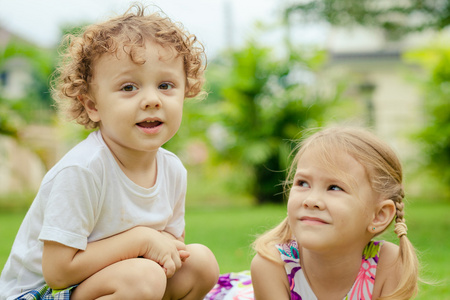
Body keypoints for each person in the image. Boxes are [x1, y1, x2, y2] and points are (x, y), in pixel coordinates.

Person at [0, 4, 219, 300]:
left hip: (113, 281)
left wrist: (156, 247)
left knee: (200, 263)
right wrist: (141, 240)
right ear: (92, 105)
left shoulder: (172, 170)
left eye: (166, 85)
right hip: (40, 293)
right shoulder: (83, 170)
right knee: (144, 278)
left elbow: (169, 249)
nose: (151, 99)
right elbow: (58, 272)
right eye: (129, 87)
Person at [251, 126, 420, 300]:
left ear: (379, 215)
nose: (311, 200)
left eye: (334, 187)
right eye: (303, 183)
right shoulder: (271, 265)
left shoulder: (390, 266)